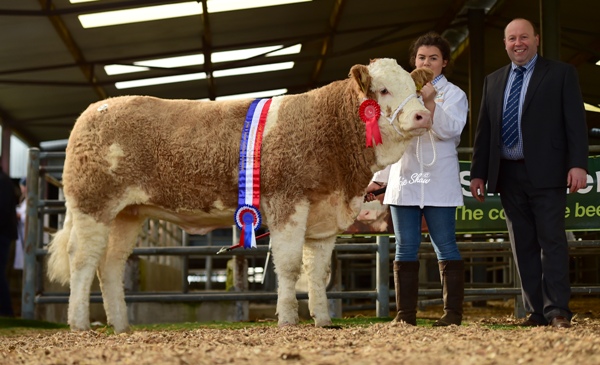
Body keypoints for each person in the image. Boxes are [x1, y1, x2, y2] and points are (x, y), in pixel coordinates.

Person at [469, 18, 588, 329]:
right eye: (511, 38)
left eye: (523, 37)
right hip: (507, 175)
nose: (517, 43)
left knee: (552, 241)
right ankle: (536, 312)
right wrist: (478, 173)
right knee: (522, 245)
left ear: (536, 39)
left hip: (549, 173)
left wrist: (578, 164)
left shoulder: (561, 74)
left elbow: (575, 123)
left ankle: (557, 310)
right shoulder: (492, 81)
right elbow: (484, 133)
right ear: (505, 43)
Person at [366, 32, 468, 326]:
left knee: (445, 245)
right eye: (422, 57)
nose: (427, 62)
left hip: (439, 179)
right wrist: (379, 178)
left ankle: (452, 315)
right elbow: (394, 137)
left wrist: (431, 103)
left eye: (433, 58)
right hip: (405, 177)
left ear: (444, 62)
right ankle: (405, 316)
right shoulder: (402, 92)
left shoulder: (456, 95)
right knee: (405, 246)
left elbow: (451, 131)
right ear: (414, 61)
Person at [0, 165, 18, 317]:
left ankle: (6, 311)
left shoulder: (3, 182)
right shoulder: (5, 181)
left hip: (2, 234)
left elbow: (3, 211)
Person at [14, 177, 27, 270]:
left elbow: (29, 217)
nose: (21, 189)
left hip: (27, 234)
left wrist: (19, 216)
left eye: (22, 186)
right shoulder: (24, 200)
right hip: (22, 233)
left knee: (26, 261)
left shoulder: (30, 201)